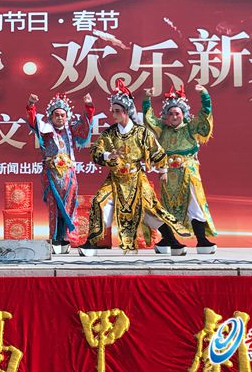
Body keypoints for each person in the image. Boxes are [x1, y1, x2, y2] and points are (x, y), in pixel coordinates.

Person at [78, 79, 190, 256]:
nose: (114, 114)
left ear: (126, 111)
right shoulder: (109, 133)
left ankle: (170, 240)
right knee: (99, 201)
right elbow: (95, 150)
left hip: (136, 177)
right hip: (115, 179)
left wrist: (163, 170)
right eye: (113, 110)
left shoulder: (141, 132)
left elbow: (157, 151)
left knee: (150, 207)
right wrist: (108, 155)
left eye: (117, 111)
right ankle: (92, 241)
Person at [143, 84, 217, 254]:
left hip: (188, 173)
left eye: (177, 113)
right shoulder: (163, 131)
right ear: (166, 116)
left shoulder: (190, 128)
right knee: (167, 207)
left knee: (194, 205)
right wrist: (147, 99)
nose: (174, 116)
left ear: (183, 114)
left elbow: (205, 115)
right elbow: (149, 119)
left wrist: (204, 95)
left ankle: (202, 240)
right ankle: (167, 240)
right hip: (168, 175)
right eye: (170, 113)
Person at [26, 92, 94, 254]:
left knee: (69, 205)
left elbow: (85, 126)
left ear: (67, 116)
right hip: (51, 174)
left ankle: (66, 238)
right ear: (51, 116)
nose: (60, 118)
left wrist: (88, 107)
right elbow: (33, 121)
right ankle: (55, 238)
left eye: (63, 115)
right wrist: (31, 105)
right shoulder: (46, 129)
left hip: (69, 176)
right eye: (56, 115)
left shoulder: (71, 129)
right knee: (54, 206)